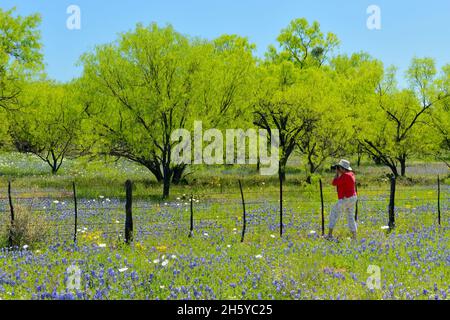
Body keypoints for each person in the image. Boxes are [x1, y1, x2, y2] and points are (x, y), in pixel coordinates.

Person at [326, 159, 358, 241]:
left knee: (333, 213)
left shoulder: (345, 176)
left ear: (342, 168)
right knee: (350, 216)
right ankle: (354, 237)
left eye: (339, 168)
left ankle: (329, 235)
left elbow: (334, 183)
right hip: (353, 197)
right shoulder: (351, 174)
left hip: (346, 198)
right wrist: (339, 173)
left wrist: (337, 174)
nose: (338, 169)